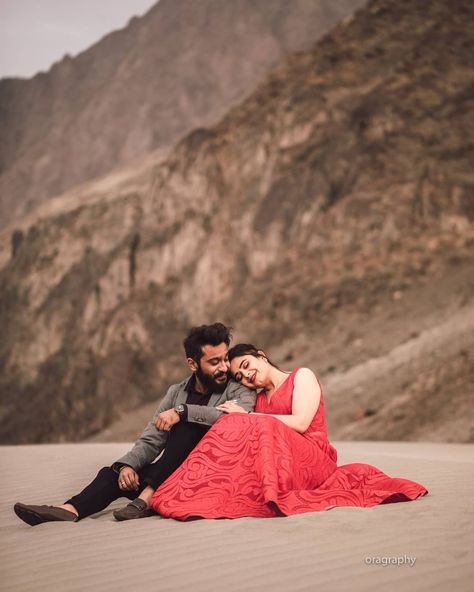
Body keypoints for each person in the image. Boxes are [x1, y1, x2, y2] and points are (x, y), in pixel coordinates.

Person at [13, 324, 256, 526]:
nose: (224, 367)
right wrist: (128, 465)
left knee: (185, 426)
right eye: (214, 362)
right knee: (113, 473)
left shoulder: (237, 387)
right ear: (193, 364)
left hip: (205, 477)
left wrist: (184, 412)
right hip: (168, 475)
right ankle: (70, 509)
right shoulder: (176, 392)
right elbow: (153, 437)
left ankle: (147, 499)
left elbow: (241, 417)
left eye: (225, 358)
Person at [150, 344, 428, 519]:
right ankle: (196, 489)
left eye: (247, 366)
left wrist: (249, 415)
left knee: (253, 422)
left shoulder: (301, 376)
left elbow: (301, 423)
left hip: (314, 458)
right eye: (239, 376)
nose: (246, 376)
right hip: (283, 461)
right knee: (233, 424)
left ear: (261, 356)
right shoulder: (257, 398)